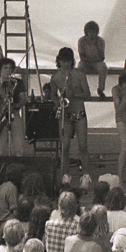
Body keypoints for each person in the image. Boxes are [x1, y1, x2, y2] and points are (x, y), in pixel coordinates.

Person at [50, 47, 91, 178]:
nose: (66, 64)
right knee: (65, 146)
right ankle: (65, 176)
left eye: (68, 61)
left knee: (83, 146)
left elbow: (88, 94)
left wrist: (75, 94)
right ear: (59, 61)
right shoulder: (55, 77)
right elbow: (52, 94)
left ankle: (86, 175)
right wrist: (58, 103)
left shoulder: (79, 74)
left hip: (79, 113)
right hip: (65, 115)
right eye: (63, 61)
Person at [0, 57, 27, 158]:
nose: (8, 71)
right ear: (0, 69)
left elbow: (24, 99)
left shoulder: (17, 82)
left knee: (19, 144)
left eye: (10, 68)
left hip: (14, 113)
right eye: (5, 68)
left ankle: (18, 166)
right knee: (1, 147)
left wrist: (15, 105)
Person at [78, 20, 108, 99]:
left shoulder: (100, 41)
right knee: (80, 67)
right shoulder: (82, 41)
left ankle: (101, 89)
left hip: (97, 62)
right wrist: (89, 60)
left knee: (103, 67)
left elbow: (102, 57)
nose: (92, 34)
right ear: (86, 32)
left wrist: (95, 45)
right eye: (90, 32)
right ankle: (83, 89)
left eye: (94, 32)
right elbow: (82, 56)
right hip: (86, 62)